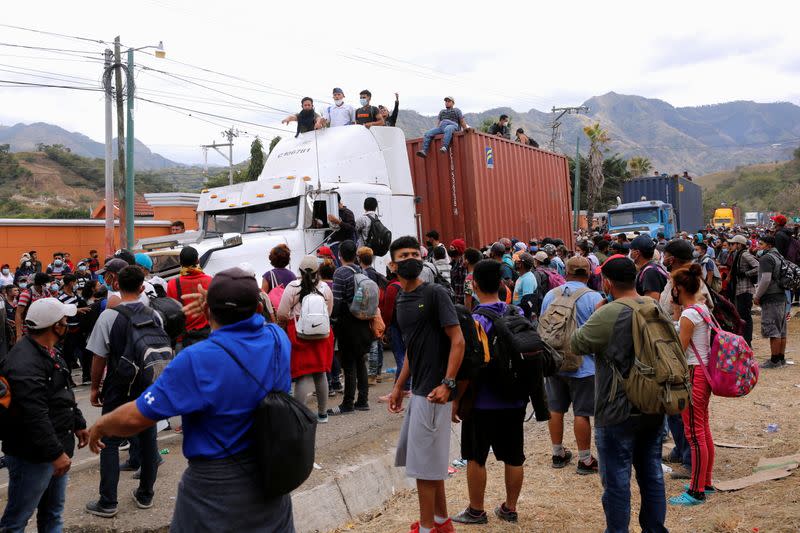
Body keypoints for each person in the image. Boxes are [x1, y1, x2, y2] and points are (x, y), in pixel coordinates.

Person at [86, 267, 295, 532]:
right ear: (256, 307)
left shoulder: (198, 359)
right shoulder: (277, 339)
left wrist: (102, 425)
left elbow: (136, 417)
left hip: (215, 491)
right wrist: (224, 301)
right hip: (272, 478)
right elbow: (262, 319)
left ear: (208, 310)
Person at [570, 257, 668, 533]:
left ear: (608, 283)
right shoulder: (653, 306)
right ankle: (655, 529)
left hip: (616, 407)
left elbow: (577, 343)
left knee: (616, 481)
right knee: (651, 473)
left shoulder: (608, 312)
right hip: (653, 402)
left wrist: (598, 310)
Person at [387, 235, 464, 533]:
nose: (410, 259)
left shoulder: (434, 294)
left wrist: (448, 384)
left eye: (414, 254)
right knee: (427, 464)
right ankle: (442, 522)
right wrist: (397, 387)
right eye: (403, 256)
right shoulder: (401, 298)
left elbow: (457, 341)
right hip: (418, 390)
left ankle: (428, 526)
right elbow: (411, 349)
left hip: (434, 392)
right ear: (393, 265)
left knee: (422, 467)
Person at [0, 298, 89, 532]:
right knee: (17, 520)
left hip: (54, 448)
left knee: (52, 515)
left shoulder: (50, 351)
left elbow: (62, 393)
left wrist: (78, 423)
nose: (68, 324)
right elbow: (34, 415)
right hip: (33, 456)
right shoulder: (24, 363)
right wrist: (56, 453)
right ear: (55, 326)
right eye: (64, 320)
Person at [451, 259, 527, 525]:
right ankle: (510, 508)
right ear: (502, 285)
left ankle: (476, 510)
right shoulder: (516, 313)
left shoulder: (475, 320)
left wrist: (457, 400)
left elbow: (469, 367)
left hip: (482, 401)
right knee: (515, 455)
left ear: (474, 285)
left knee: (475, 456)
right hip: (515, 398)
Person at [84, 266, 162, 518]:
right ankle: (145, 494)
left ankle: (108, 501)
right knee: (149, 437)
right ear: (142, 287)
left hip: (119, 386)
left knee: (109, 440)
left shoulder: (109, 316)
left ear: (116, 285)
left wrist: (95, 387)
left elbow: (99, 356)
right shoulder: (155, 314)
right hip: (148, 385)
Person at [541, 256, 603, 474]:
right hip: (584, 365)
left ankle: (557, 453)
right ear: (588, 274)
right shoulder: (594, 297)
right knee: (582, 412)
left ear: (566, 272)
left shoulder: (551, 295)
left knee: (555, 409)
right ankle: (585, 459)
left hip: (555, 362)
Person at [668, 264, 715, 506]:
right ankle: (705, 482)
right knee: (703, 430)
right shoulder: (701, 308)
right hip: (703, 373)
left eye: (671, 286)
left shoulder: (689, 315)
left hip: (693, 373)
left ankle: (696, 491)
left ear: (678, 289)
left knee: (694, 435)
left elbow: (679, 350)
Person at [277, 255, 334, 423]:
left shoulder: (293, 287)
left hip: (299, 334)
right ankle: (323, 414)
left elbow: (281, 313)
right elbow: (329, 312)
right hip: (322, 335)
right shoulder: (325, 288)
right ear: (318, 271)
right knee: (320, 372)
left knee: (302, 375)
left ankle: (300, 416)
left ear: (300, 271)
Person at [329, 240, 374, 414]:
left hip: (347, 322)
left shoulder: (340, 273)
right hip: (363, 319)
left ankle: (348, 403)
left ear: (340, 255)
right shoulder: (361, 271)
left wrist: (333, 319)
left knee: (348, 363)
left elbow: (338, 301)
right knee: (360, 360)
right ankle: (362, 400)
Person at [167, 247, 213, 349]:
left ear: (180, 262)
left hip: (182, 341)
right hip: (206, 339)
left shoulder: (172, 284)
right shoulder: (210, 281)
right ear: (197, 260)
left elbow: (171, 312)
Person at [755, 235, 788, 368]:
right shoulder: (779, 256)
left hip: (771, 297)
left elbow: (766, 279)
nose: (759, 247)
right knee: (781, 330)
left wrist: (757, 295)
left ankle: (774, 361)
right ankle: (781, 358)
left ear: (768, 245)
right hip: (781, 296)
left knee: (773, 330)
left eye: (761, 244)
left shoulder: (766, 258)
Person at [358, 246, 386, 384]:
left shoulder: (364, 275)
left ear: (359, 259)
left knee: (373, 345)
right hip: (377, 310)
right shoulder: (375, 273)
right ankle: (378, 372)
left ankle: (372, 375)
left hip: (369, 310)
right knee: (378, 342)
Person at [727, 234, 759, 345]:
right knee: (741, 315)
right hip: (739, 289)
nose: (731, 245)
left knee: (746, 316)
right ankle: (744, 340)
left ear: (739, 244)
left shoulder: (745, 254)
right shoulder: (737, 254)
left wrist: (745, 274)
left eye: (733, 243)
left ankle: (747, 340)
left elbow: (758, 267)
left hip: (745, 289)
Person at [57, 274, 89, 374]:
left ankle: (87, 375)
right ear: (71, 283)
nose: (76, 284)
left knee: (85, 352)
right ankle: (69, 378)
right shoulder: (61, 298)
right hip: (68, 330)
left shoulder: (76, 295)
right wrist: (78, 310)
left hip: (79, 328)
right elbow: (62, 312)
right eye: (75, 282)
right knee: (68, 355)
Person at [15, 272, 52, 341]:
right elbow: (18, 314)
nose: (49, 284)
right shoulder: (26, 294)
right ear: (41, 283)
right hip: (29, 330)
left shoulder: (46, 292)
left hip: (43, 328)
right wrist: (18, 334)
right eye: (47, 283)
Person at [630, 235, 668, 300]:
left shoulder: (650, 272)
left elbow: (652, 304)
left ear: (637, 253)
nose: (630, 253)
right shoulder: (651, 267)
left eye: (631, 250)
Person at [448, 239, 467, 306]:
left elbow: (465, 283)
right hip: (456, 301)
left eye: (452, 248)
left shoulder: (463, 265)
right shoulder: (453, 264)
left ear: (458, 250)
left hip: (462, 301)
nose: (449, 250)